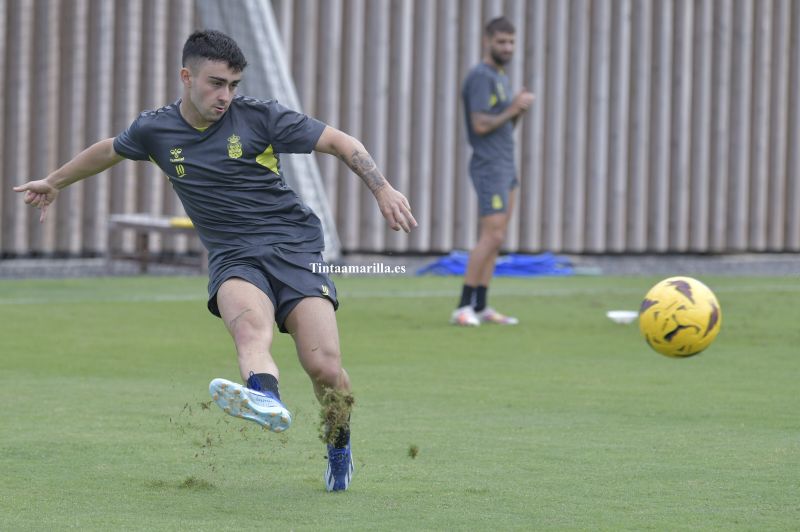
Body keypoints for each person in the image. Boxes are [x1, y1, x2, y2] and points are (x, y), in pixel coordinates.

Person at [14, 29, 416, 492]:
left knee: (325, 367)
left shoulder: (261, 117)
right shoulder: (156, 130)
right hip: (233, 256)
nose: (225, 95)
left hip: (294, 249)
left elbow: (342, 142)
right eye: (215, 83)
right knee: (249, 327)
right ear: (187, 77)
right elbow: (109, 150)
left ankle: (339, 443)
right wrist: (55, 182)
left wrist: (382, 188)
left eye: (232, 85)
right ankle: (265, 396)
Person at [451, 16, 534, 327]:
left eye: (511, 42)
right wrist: (513, 108)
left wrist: (517, 112)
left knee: (498, 239)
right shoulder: (481, 76)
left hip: (505, 163)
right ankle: (462, 307)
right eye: (501, 42)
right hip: (489, 165)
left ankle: (482, 306)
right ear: (487, 42)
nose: (507, 47)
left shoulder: (500, 76)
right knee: (491, 235)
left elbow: (503, 124)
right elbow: (480, 124)